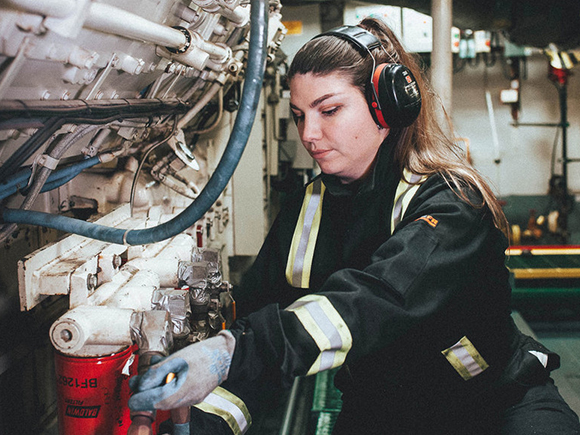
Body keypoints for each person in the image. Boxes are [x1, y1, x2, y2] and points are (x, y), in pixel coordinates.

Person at [128, 17, 580, 434]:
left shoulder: (450, 202)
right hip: (381, 410)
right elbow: (259, 319)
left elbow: (377, 298)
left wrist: (232, 353)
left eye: (329, 111)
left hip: (494, 404)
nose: (308, 134)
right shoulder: (308, 208)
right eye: (300, 115)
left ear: (386, 109)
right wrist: (202, 420)